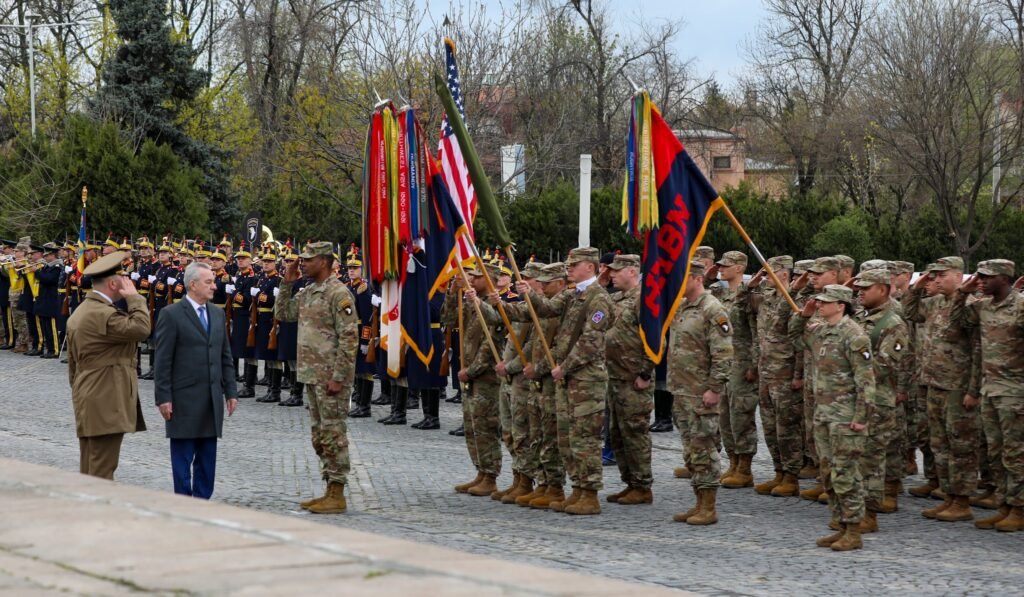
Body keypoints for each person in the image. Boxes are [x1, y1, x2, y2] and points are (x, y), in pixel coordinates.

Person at [517, 247, 613, 515]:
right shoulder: (574, 294)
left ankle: (590, 494)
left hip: (586, 379)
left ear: (591, 267)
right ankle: (578, 489)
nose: (569, 268)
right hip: (568, 380)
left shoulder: (598, 299)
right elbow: (548, 309)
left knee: (585, 439)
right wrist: (530, 293)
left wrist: (564, 366)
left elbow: (591, 341)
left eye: (574, 264)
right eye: (569, 264)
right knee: (567, 438)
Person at [791, 284, 876, 551]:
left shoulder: (854, 335)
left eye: (826, 302)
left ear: (841, 305)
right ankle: (839, 524)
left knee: (845, 474)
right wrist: (802, 316)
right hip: (824, 414)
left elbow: (866, 380)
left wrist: (862, 416)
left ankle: (854, 530)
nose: (820, 305)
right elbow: (794, 338)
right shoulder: (822, 331)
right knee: (828, 473)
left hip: (846, 416)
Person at [275, 241, 359, 514]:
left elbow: (349, 339)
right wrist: (287, 283)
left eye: (308, 260)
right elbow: (283, 313)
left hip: (330, 378)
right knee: (320, 436)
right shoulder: (309, 291)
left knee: (334, 434)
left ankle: (338, 492)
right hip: (312, 375)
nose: (303, 264)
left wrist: (339, 376)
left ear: (324, 261)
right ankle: (328, 489)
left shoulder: (339, 293)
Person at [904, 257, 980, 522]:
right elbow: (910, 313)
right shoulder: (935, 304)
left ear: (958, 276)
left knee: (961, 446)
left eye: (940, 275)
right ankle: (948, 495)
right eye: (932, 275)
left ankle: (962, 501)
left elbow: (975, 346)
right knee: (940, 445)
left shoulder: (971, 305)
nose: (934, 280)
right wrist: (916, 287)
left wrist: (974, 389)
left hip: (957, 387)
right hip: (933, 383)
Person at [153, 262, 238, 499]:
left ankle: (202, 502)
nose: (214, 286)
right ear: (193, 285)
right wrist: (163, 398)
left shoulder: (217, 313)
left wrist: (231, 391)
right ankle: (183, 503)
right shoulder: (171, 314)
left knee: (207, 461)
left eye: (214, 281)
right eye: (209, 282)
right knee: (182, 461)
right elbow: (162, 361)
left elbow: (225, 356)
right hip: (184, 400)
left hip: (211, 400)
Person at [952, 260, 1024, 532]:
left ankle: (1019, 508)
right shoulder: (983, 307)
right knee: (995, 453)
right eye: (978, 277)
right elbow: (956, 321)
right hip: (990, 389)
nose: (980, 281)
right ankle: (1004, 506)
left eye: (986, 277)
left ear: (1004, 279)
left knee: (1015, 454)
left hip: (1015, 392)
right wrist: (963, 292)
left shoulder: (1019, 306)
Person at [66, 251, 151, 479]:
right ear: (113, 283)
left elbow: (73, 367)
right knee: (102, 472)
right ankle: (97, 514)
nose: (127, 283)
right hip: (106, 398)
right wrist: (135, 298)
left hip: (89, 395)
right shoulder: (103, 313)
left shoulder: (83, 311)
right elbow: (142, 328)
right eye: (123, 280)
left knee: (90, 468)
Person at [668, 260, 734, 526]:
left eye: (681, 278)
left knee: (704, 450)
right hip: (682, 391)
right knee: (690, 452)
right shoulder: (683, 307)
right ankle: (698, 502)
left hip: (701, 392)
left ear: (696, 279)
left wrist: (714, 388)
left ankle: (709, 506)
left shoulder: (712, 309)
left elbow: (724, 354)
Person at [852, 268, 910, 532]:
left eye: (866, 287)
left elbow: (885, 364)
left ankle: (870, 514)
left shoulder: (893, 323)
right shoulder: (865, 319)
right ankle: (855, 510)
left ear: (884, 290)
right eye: (859, 287)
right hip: (859, 398)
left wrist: (847, 370)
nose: (860, 291)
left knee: (872, 459)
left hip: (878, 400)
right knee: (857, 456)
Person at [603, 254, 657, 505]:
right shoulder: (615, 298)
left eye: (616, 270)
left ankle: (643, 485)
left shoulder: (644, 300)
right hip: (614, 376)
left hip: (634, 379)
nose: (611, 274)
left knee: (635, 433)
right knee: (617, 434)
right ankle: (630, 483)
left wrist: (646, 373)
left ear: (632, 272)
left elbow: (656, 338)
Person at [710, 251, 759, 489]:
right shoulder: (719, 293)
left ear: (739, 268)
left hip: (742, 361)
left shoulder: (748, 295)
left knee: (741, 414)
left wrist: (754, 363)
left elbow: (756, 331)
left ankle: (745, 467)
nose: (721, 269)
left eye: (726, 266)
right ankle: (732, 461)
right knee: (724, 415)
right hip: (724, 361)